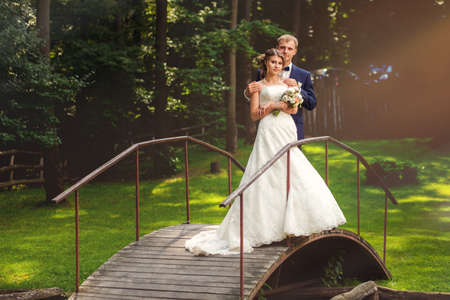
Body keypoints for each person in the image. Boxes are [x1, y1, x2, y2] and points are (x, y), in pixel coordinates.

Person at [185, 48, 346, 256]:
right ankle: (263, 225)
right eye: (273, 62)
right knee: (266, 170)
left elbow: (294, 109)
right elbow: (254, 115)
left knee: (292, 168)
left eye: (279, 63)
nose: (276, 66)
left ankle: (297, 222)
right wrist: (270, 107)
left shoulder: (289, 84)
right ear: (266, 64)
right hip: (268, 130)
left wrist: (274, 103)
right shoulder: (257, 86)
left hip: (287, 129)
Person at [245, 34, 316, 140]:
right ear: (277, 48)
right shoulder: (261, 72)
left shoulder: (303, 74)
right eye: (282, 47)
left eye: (290, 48)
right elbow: (256, 96)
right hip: (268, 127)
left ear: (295, 51)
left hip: (292, 127)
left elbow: (311, 103)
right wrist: (247, 93)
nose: (285, 51)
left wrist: (298, 89)